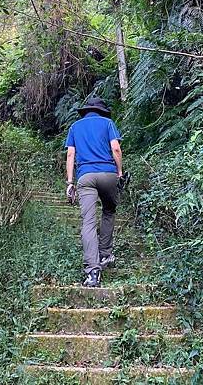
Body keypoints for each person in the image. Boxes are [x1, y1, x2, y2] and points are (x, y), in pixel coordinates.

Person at [65, 96, 123, 287]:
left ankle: (92, 272)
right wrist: (120, 172)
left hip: (86, 176)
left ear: (86, 110)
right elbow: (115, 148)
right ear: (102, 111)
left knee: (88, 223)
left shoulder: (75, 127)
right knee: (109, 211)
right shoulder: (108, 123)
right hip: (108, 174)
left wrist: (70, 182)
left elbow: (71, 154)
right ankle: (105, 254)